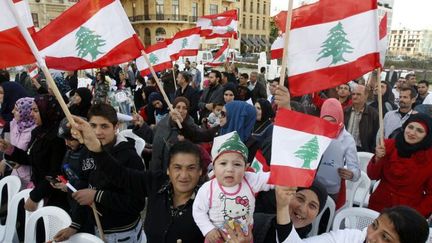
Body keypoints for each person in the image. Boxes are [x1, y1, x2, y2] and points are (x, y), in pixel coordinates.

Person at [61, 116, 206, 243]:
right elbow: (121, 175)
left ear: (200, 171)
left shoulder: (210, 201)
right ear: (168, 169)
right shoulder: (157, 183)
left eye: (191, 168)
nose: (184, 175)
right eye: (177, 167)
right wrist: (96, 148)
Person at [54, 104, 145, 243]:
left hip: (123, 233)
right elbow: (85, 185)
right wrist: (75, 225)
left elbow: (136, 203)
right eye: (93, 126)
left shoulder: (130, 157)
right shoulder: (86, 151)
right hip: (97, 228)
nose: (97, 132)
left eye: (104, 126)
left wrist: (97, 195)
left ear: (116, 127)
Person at [192, 131, 273, 243]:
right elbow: (198, 211)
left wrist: (287, 174)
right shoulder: (208, 188)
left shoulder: (250, 180)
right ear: (214, 167)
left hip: (244, 238)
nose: (230, 169)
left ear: (245, 168)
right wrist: (208, 230)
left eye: (237, 164)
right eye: (223, 163)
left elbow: (271, 179)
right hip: (217, 238)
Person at [274, 186, 429, 243]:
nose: (372, 237)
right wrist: (282, 207)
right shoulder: (351, 237)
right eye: (374, 226)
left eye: (386, 238)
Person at [0, 94, 68, 211]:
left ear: (47, 111)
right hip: (35, 187)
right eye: (31, 110)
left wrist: (34, 196)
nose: (31, 114)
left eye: (36, 110)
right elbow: (30, 158)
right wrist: (9, 149)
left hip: (51, 197)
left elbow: (56, 173)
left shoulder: (58, 138)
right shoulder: (38, 132)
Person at [368, 113, 432, 217]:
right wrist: (378, 158)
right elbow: (372, 175)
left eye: (419, 131)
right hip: (378, 207)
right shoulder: (388, 145)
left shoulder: (429, 158)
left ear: (427, 135)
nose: (412, 133)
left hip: (406, 214)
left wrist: (416, 215)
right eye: (410, 127)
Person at [0, 97, 35, 188]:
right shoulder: (14, 123)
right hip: (15, 173)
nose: (12, 112)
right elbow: (10, 147)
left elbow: (33, 158)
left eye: (16, 110)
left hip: (30, 177)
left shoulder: (35, 131)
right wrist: (5, 160)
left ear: (26, 112)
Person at [344, 85, 379, 153]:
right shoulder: (345, 111)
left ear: (366, 96)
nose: (355, 96)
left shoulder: (373, 115)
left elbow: (376, 137)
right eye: (353, 94)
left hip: (362, 151)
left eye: (358, 94)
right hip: (345, 149)